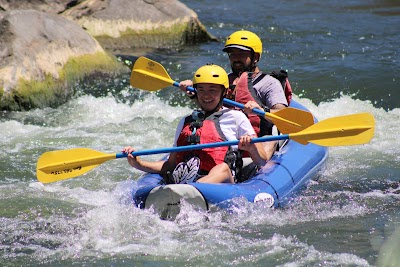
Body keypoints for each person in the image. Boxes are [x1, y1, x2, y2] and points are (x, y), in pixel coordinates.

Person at [123, 64, 269, 184]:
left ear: (224, 92)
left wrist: (251, 148)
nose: (206, 95)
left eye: (212, 90)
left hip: (221, 184)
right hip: (187, 181)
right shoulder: (186, 122)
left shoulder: (236, 117)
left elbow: (262, 160)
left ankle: (192, 189)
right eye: (201, 90)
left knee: (222, 168)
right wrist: (139, 163)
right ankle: (185, 191)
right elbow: (170, 164)